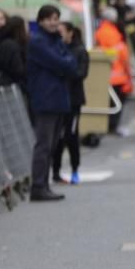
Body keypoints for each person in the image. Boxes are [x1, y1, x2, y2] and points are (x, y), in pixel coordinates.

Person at [26, 5, 77, 202]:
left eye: (56, 19)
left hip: (57, 98)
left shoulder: (55, 40)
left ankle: (43, 184)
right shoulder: (38, 42)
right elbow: (61, 63)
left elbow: (71, 64)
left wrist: (65, 65)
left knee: (52, 144)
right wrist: (64, 65)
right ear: (40, 21)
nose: (53, 22)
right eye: (49, 19)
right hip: (45, 97)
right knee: (44, 144)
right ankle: (38, 185)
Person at [52, 23, 88, 185]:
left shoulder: (79, 51)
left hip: (73, 100)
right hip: (57, 99)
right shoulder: (55, 50)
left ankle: (75, 169)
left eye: (61, 32)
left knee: (71, 135)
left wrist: (65, 72)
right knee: (57, 137)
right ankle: (56, 171)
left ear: (70, 33)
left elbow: (81, 73)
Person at [95, 7, 134, 135]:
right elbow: (121, 53)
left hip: (107, 73)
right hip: (118, 74)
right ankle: (113, 126)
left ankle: (106, 126)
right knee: (117, 103)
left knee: (109, 103)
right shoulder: (112, 32)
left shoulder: (101, 31)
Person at [0, 16, 28, 96]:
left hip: (0, 85)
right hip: (14, 88)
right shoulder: (14, 46)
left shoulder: (1, 43)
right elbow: (18, 70)